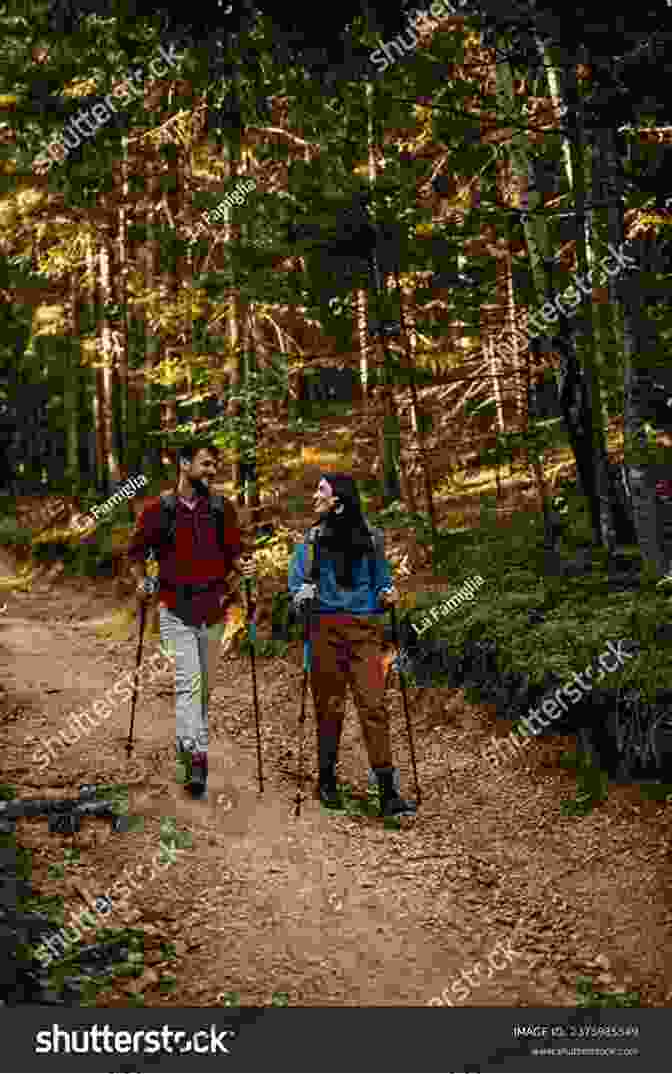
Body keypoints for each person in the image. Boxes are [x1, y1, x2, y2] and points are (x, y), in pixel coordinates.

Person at [127, 440, 254, 797]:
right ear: (184, 465)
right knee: (189, 684)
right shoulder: (157, 511)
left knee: (204, 691)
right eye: (205, 464)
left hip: (213, 611)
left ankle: (187, 744)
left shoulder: (221, 509)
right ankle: (197, 760)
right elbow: (136, 553)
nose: (211, 471)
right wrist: (142, 581)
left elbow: (236, 555)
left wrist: (241, 570)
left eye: (214, 465)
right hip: (174, 609)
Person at [288, 473, 417, 817]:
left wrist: (388, 595)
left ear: (339, 502)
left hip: (363, 632)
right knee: (329, 707)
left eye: (322, 491)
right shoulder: (312, 540)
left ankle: (388, 791)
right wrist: (303, 596)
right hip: (324, 629)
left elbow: (382, 583)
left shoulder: (371, 539)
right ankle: (327, 779)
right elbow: (296, 582)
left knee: (373, 706)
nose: (315, 496)